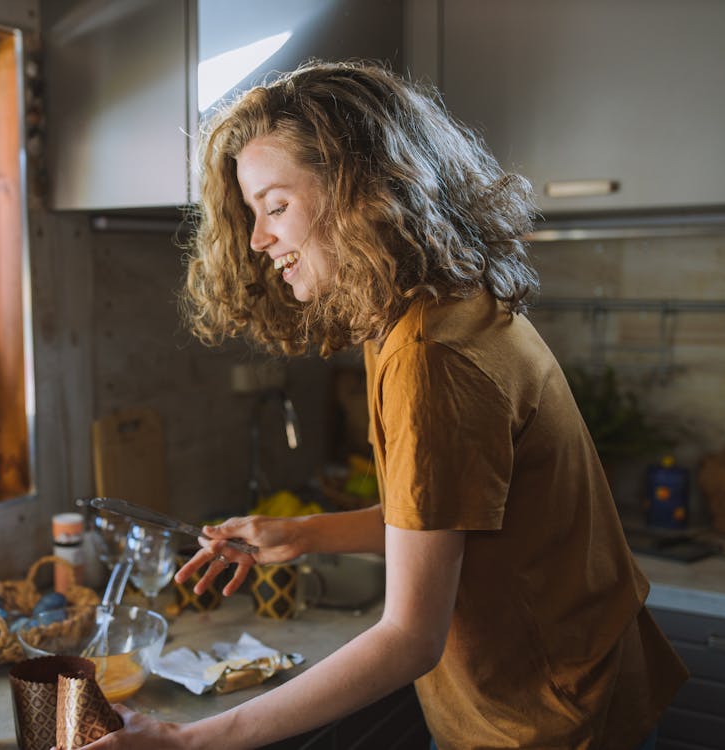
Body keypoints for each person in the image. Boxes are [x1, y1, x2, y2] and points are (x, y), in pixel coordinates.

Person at [85, 60, 687, 750]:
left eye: (275, 206)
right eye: (253, 214)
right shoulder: (429, 304)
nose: (257, 240)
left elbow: (408, 640)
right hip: (570, 675)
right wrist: (305, 534)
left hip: (537, 715)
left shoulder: (429, 355)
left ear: (361, 191)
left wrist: (187, 741)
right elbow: (456, 511)